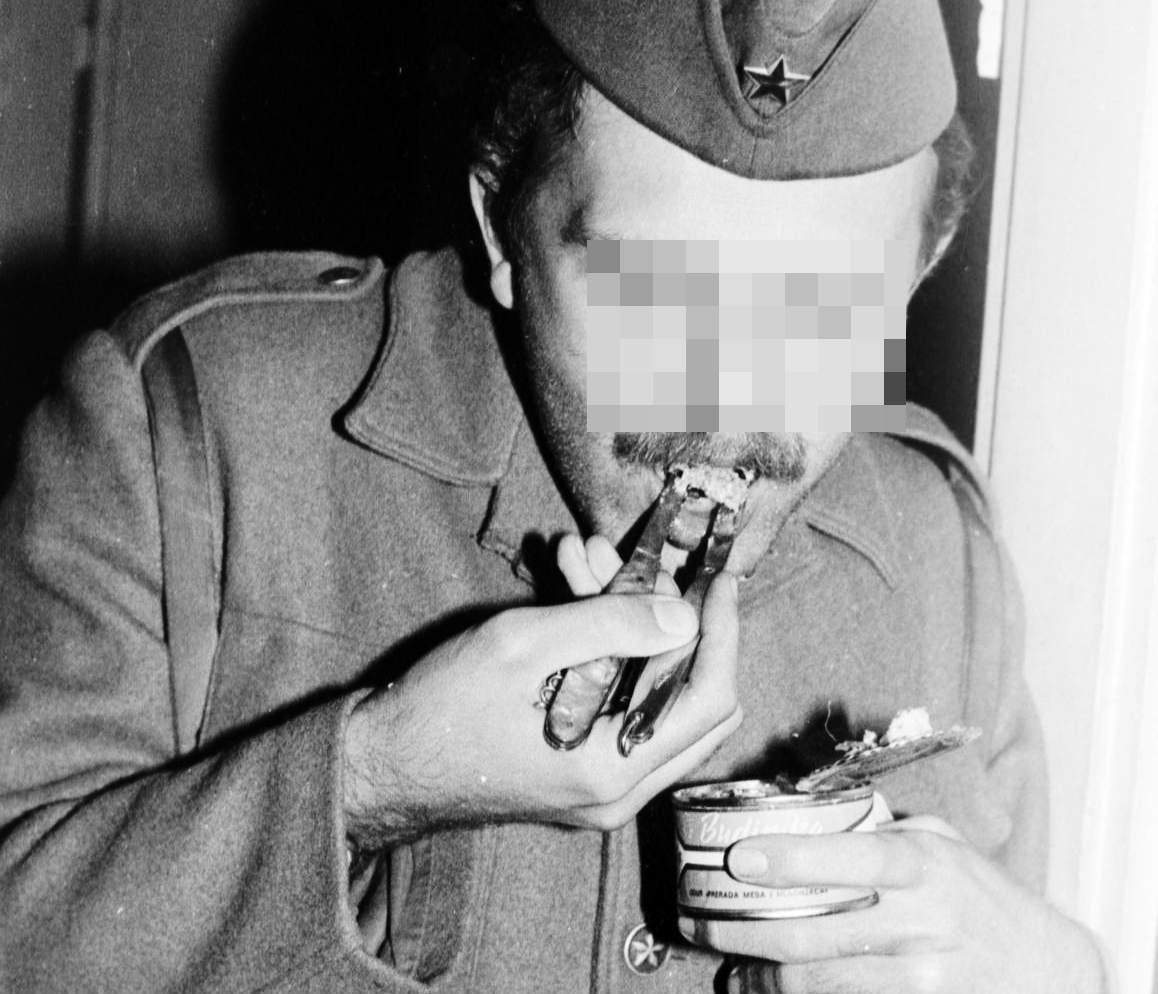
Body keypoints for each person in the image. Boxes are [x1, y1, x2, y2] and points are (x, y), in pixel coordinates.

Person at [0, 0, 1108, 991]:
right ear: (498, 217)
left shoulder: (946, 566)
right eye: (661, 298)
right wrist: (375, 775)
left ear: (926, 260)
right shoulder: (189, 431)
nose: (737, 402)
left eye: (829, 312)